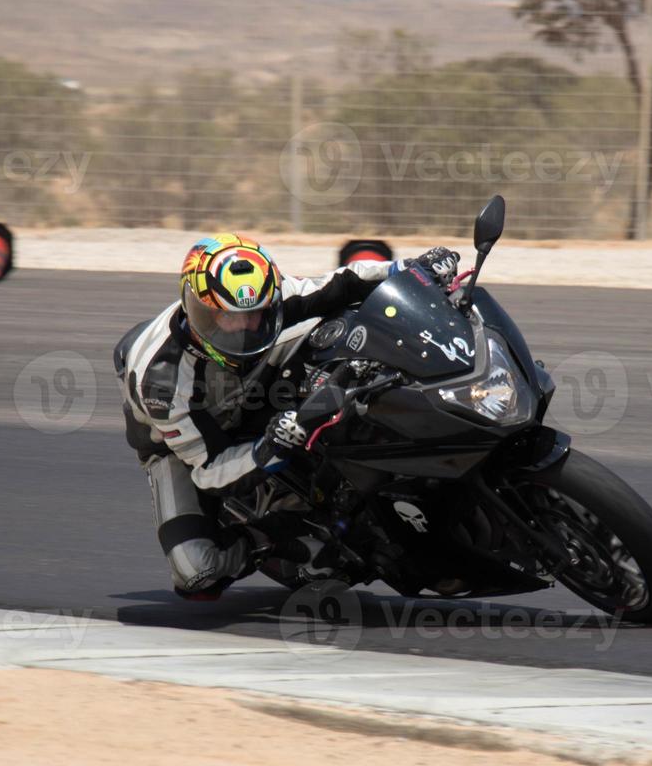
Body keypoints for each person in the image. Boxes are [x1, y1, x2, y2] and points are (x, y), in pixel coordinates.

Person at [115, 233, 459, 599]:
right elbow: (210, 469)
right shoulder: (163, 381)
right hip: (191, 448)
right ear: (195, 307)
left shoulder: (270, 304)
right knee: (198, 574)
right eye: (225, 318)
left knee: (342, 327)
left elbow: (341, 283)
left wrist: (410, 268)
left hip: (256, 383)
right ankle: (271, 536)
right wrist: (270, 447)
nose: (243, 328)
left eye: (255, 315)